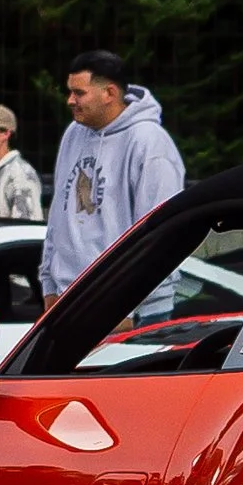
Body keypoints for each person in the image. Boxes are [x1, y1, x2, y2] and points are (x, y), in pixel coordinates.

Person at [39, 50, 186, 313]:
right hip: (72, 301)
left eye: (79, 93)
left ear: (109, 93)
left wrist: (128, 308)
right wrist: (49, 285)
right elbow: (59, 218)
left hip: (133, 310)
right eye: (70, 91)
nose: (70, 100)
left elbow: (160, 236)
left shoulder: (150, 143)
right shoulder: (74, 133)